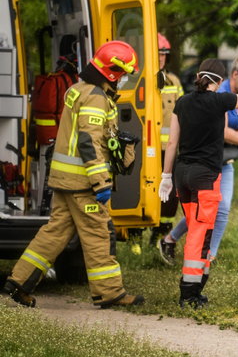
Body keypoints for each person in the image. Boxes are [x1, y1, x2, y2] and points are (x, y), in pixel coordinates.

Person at [4, 41, 145, 308]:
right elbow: (87, 141)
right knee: (99, 233)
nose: (124, 79)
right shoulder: (95, 96)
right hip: (83, 182)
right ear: (112, 72)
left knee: (53, 234)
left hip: (64, 180)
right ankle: (110, 293)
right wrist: (101, 181)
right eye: (123, 74)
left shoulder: (77, 89)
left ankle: (18, 282)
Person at [158, 56, 238, 308]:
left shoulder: (182, 103)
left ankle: (196, 286)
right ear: (221, 81)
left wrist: (166, 175)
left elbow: (172, 143)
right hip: (205, 177)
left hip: (182, 175)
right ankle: (189, 294)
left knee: (196, 229)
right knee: (200, 234)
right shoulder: (219, 101)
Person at [149, 33, 184, 255]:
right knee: (148, 191)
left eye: (164, 54)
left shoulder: (174, 82)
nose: (161, 58)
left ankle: (162, 231)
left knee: (170, 195)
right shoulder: (142, 80)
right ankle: (135, 236)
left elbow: (183, 113)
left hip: (170, 149)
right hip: (148, 150)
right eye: (158, 53)